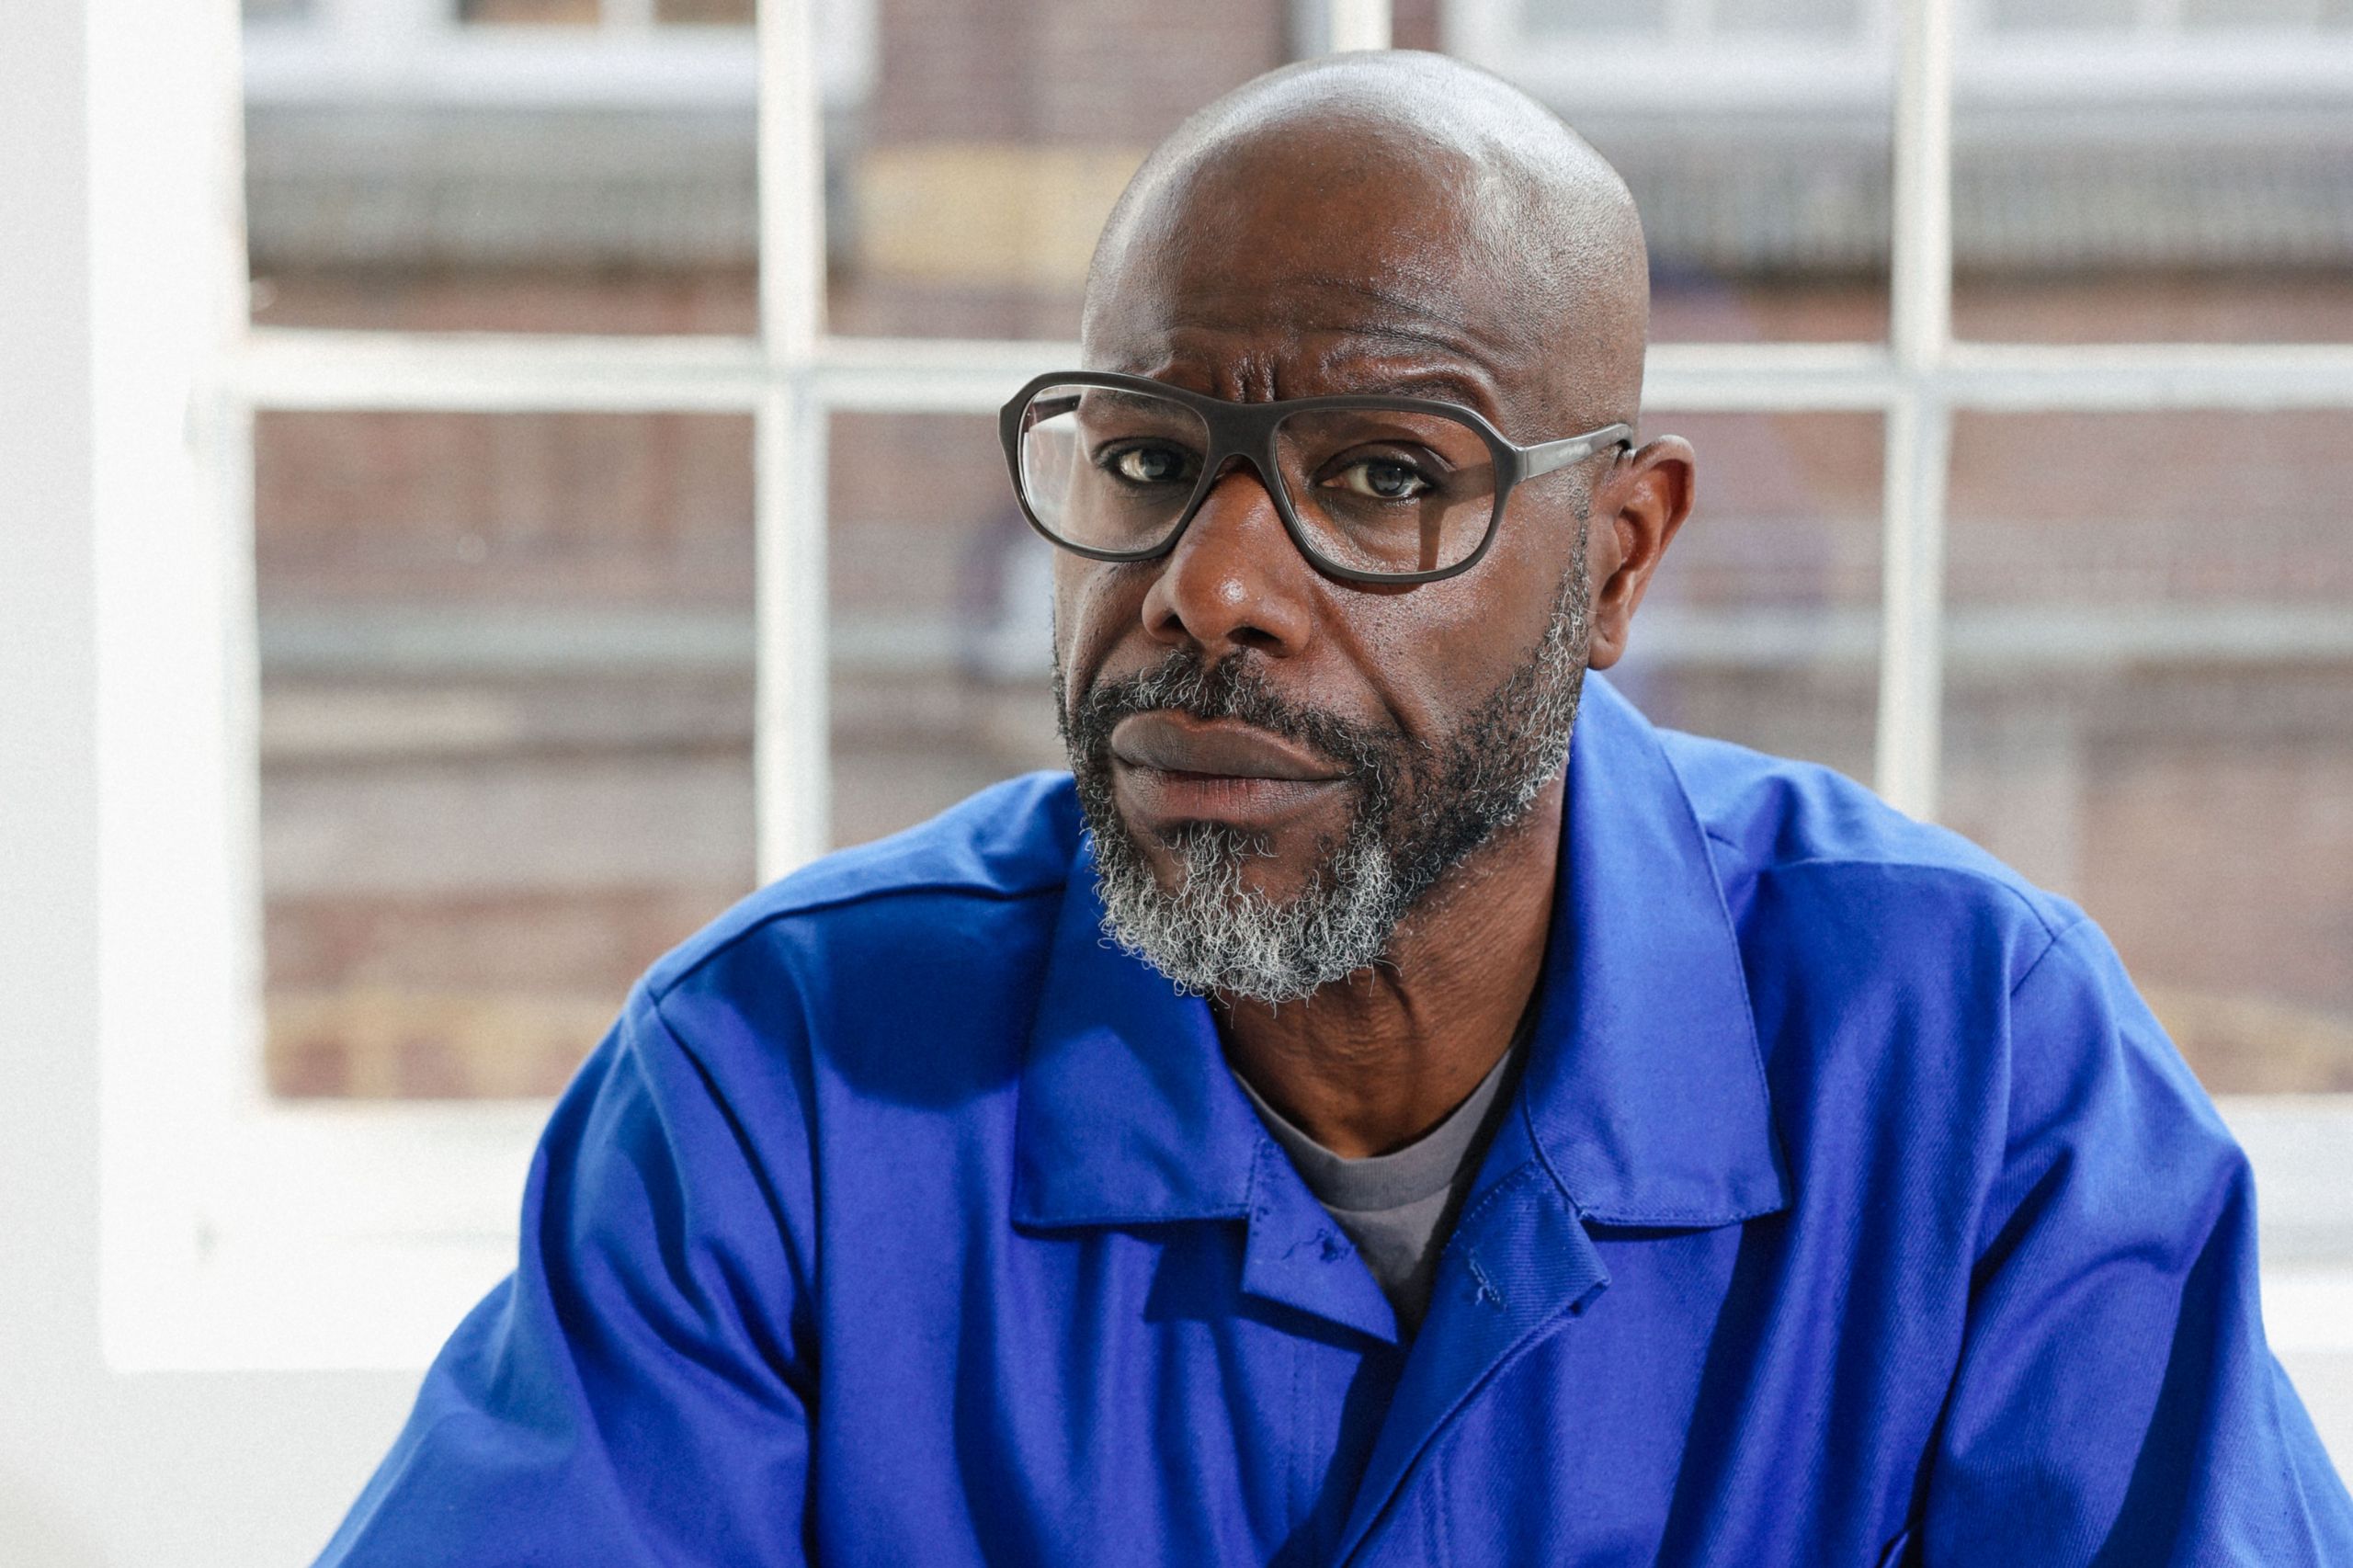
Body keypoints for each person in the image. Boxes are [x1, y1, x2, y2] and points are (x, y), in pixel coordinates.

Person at [315, 51, 2353, 1566]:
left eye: (1382, 476)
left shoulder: (1980, 1066)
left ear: (1617, 559)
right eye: (1145, 458)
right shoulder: (775, 1088)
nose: (1208, 586)